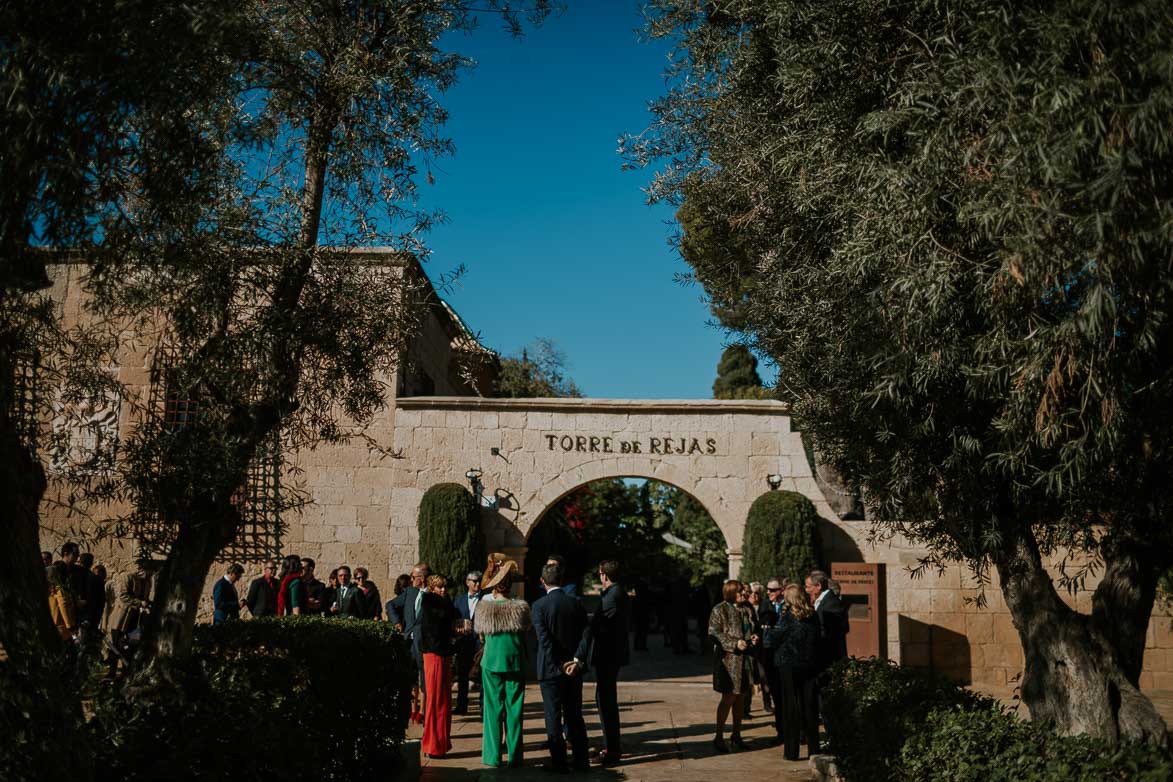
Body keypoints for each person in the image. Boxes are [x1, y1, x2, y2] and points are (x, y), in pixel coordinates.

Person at [532, 560, 590, 772]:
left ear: (542, 581)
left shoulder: (539, 606)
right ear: (562, 580)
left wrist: (560, 663)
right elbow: (586, 635)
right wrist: (575, 660)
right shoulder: (575, 603)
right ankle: (581, 759)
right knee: (574, 714)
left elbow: (544, 640)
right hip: (573, 670)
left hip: (550, 669)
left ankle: (559, 762)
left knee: (553, 716)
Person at [474, 556, 530, 768]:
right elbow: (525, 633)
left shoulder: (483, 608)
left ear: (495, 587)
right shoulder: (521, 608)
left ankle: (492, 756)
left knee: (492, 710)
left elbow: (481, 636)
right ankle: (515, 757)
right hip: (514, 661)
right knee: (515, 710)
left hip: (491, 662)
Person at [765, 584, 821, 760]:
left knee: (791, 708)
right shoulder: (813, 616)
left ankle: (791, 751)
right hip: (810, 665)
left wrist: (767, 631)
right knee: (809, 707)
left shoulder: (787, 617)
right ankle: (814, 749)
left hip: (789, 665)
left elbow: (773, 639)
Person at [583, 559, 629, 766]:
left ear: (604, 575)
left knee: (606, 702)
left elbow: (595, 626)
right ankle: (611, 746)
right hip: (612, 655)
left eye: (600, 574)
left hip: (608, 657)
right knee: (605, 699)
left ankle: (612, 749)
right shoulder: (616, 593)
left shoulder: (612, 596)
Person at [708, 579, 756, 753]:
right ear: (731, 592)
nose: (744, 594)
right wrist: (734, 644)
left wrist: (755, 637)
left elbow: (753, 628)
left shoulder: (747, 609)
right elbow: (714, 633)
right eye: (740, 591)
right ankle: (719, 736)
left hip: (746, 661)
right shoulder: (719, 609)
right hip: (727, 661)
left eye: (744, 591)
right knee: (728, 698)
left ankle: (736, 735)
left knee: (741, 698)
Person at [419, 574, 462, 759]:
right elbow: (432, 634)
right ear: (432, 588)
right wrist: (451, 645)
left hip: (443, 654)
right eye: (439, 587)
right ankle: (432, 745)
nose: (443, 590)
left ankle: (441, 745)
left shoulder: (446, 603)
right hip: (434, 655)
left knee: (444, 700)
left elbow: (452, 618)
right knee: (436, 700)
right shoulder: (429, 604)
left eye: (444, 586)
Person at [387, 562, 430, 719]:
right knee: (410, 676)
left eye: (414, 577)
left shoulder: (432, 594)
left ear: (422, 578)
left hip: (424, 643)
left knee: (423, 677)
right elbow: (390, 605)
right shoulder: (410, 592)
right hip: (408, 641)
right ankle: (413, 709)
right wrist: (397, 621)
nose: (411, 579)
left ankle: (424, 711)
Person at [105, 561, 153, 677]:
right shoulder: (127, 577)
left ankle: (127, 671)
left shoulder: (147, 582)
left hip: (136, 618)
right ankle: (112, 671)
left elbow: (145, 598)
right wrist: (140, 603)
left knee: (132, 643)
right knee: (116, 644)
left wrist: (148, 603)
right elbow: (123, 596)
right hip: (122, 617)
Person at [452, 569, 483, 715]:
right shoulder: (459, 600)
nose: (477, 584)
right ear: (467, 582)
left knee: (482, 675)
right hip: (463, 642)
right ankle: (461, 705)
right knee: (462, 675)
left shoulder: (486, 599)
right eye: (474, 581)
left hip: (480, 642)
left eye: (479, 581)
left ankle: (483, 706)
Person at [805, 569, 849, 667]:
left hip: (829, 659)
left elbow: (830, 633)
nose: (806, 590)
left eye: (808, 587)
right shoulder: (820, 601)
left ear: (818, 586)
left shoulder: (831, 604)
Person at [760, 578, 786, 743]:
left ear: (781, 591)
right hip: (770, 657)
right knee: (776, 695)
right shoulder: (766, 606)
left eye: (772, 590)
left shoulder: (787, 607)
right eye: (767, 590)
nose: (768, 592)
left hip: (785, 658)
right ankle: (781, 732)